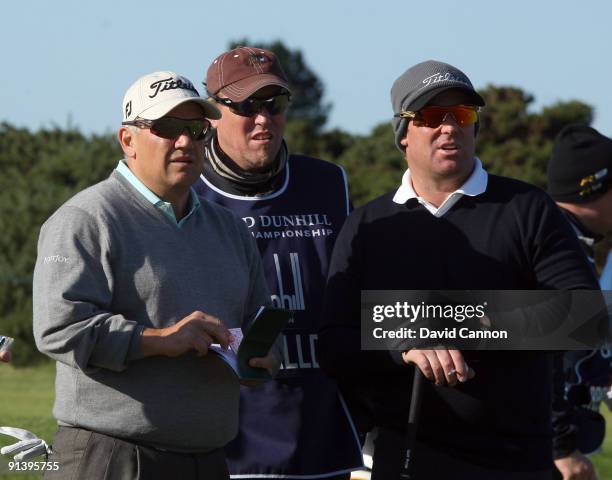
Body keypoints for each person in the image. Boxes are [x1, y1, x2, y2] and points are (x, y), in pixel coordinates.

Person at [319, 60, 600, 479]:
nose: (449, 127)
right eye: (432, 117)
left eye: (463, 115)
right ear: (403, 134)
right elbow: (334, 342)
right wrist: (403, 345)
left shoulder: (526, 208)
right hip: (404, 457)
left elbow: (585, 315)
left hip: (516, 461)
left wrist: (457, 323)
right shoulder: (368, 225)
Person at [32, 71, 277, 480]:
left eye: (196, 129)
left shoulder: (230, 229)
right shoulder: (85, 218)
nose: (184, 142)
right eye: (166, 128)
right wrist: (161, 340)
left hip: (210, 458)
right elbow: (58, 329)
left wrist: (261, 356)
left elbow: (257, 320)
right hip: (110, 457)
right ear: (127, 140)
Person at [194, 46, 363, 479]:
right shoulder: (186, 191)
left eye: (275, 104)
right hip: (221, 444)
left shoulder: (329, 183)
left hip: (322, 437)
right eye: (247, 106)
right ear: (212, 112)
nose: (263, 119)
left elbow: (358, 296)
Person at [547, 124, 612, 480]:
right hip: (548, 457)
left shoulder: (573, 243)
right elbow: (537, 357)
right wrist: (561, 448)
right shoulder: (553, 248)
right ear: (594, 186)